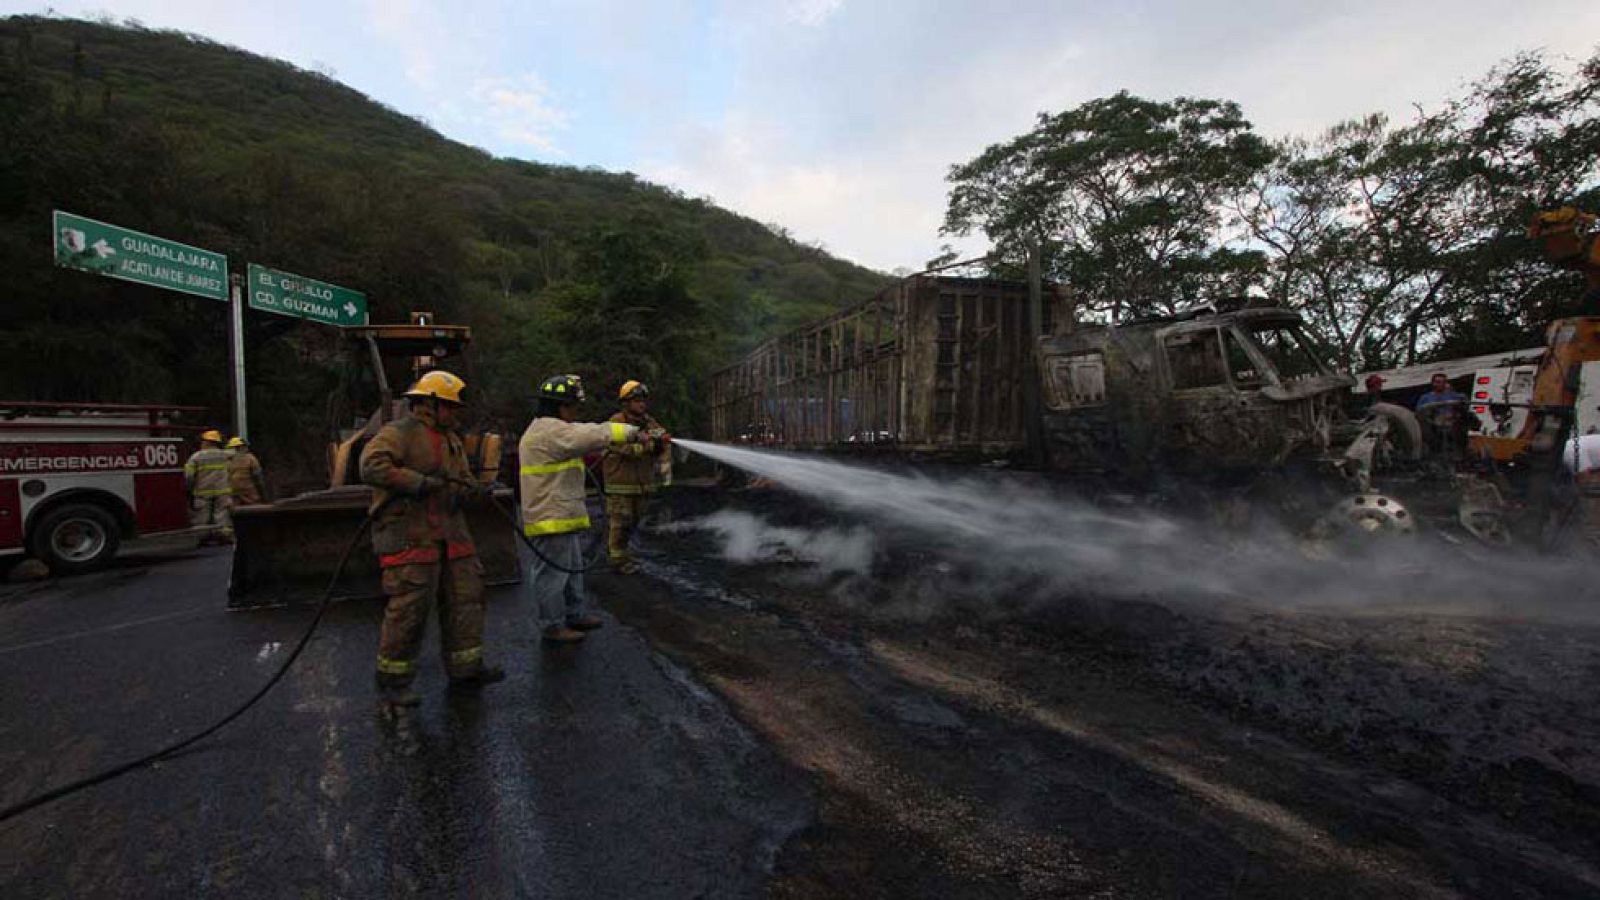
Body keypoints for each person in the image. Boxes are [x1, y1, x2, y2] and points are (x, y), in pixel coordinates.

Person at [359, 370, 503, 710]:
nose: (455, 415)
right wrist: (418, 483)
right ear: (429, 404)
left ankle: (466, 668)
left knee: (466, 598)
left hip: (451, 533)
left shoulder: (451, 438)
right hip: (411, 534)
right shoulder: (399, 433)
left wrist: (474, 490)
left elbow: (460, 479)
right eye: (450, 408)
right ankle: (393, 684)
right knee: (409, 609)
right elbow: (371, 465)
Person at [519, 374, 643, 643]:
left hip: (563, 513)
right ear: (559, 405)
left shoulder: (554, 431)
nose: (575, 412)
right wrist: (633, 432)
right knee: (552, 574)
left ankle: (575, 614)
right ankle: (552, 625)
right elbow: (590, 433)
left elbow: (581, 446)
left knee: (573, 569)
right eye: (573, 406)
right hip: (550, 517)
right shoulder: (549, 429)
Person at [601, 380, 671, 574]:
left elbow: (661, 437)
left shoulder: (649, 422)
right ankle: (616, 560)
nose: (642, 404)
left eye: (643, 400)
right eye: (637, 400)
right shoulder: (617, 422)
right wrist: (648, 446)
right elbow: (619, 447)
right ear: (626, 402)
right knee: (620, 521)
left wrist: (663, 442)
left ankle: (623, 553)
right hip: (620, 483)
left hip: (642, 483)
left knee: (633, 521)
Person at [184, 430, 234, 545]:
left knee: (202, 516)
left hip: (202, 491)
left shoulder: (195, 457)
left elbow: (189, 476)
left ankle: (203, 537)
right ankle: (223, 535)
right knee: (222, 515)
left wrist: (189, 489)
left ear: (206, 442)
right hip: (222, 490)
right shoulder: (226, 455)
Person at [225, 437, 269, 506]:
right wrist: (264, 495)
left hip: (234, 494)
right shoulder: (250, 459)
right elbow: (258, 477)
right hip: (249, 493)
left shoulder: (228, 461)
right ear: (240, 447)